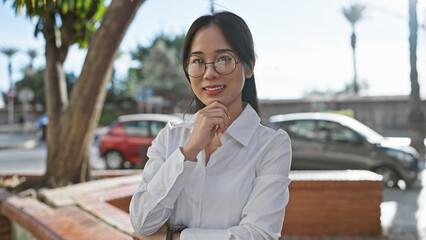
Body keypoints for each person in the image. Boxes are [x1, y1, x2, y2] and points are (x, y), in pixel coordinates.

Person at [129, 11, 292, 240]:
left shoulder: (271, 146)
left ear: (248, 67)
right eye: (197, 61)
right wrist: (189, 151)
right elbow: (142, 223)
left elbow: (259, 235)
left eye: (224, 58)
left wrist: (172, 237)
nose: (209, 73)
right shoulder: (170, 139)